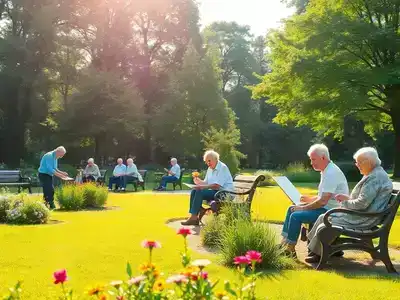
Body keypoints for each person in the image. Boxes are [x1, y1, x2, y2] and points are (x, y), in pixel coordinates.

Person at [305, 147, 393, 263]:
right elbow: (364, 200)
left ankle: (318, 253)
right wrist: (348, 198)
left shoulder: (375, 177)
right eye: (357, 162)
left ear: (369, 162)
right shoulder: (374, 174)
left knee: (326, 218)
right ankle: (316, 250)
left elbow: (361, 204)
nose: (357, 165)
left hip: (364, 218)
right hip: (366, 215)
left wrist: (345, 202)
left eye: (359, 162)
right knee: (324, 217)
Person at [281, 144, 349, 258]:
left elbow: (323, 201)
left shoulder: (331, 173)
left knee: (296, 215)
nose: (311, 163)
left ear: (323, 158)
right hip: (326, 208)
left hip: (331, 212)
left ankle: (290, 250)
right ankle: (285, 243)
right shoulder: (326, 170)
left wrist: (302, 207)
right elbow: (323, 196)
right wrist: (307, 199)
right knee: (291, 209)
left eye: (313, 159)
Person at [181, 150, 234, 226]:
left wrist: (201, 186)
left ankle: (194, 218)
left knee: (199, 191)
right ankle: (194, 216)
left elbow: (217, 185)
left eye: (209, 161)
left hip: (225, 194)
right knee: (194, 191)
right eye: (206, 162)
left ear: (215, 159)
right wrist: (199, 182)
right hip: (216, 192)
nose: (208, 163)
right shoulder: (210, 169)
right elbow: (206, 182)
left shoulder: (222, 167)